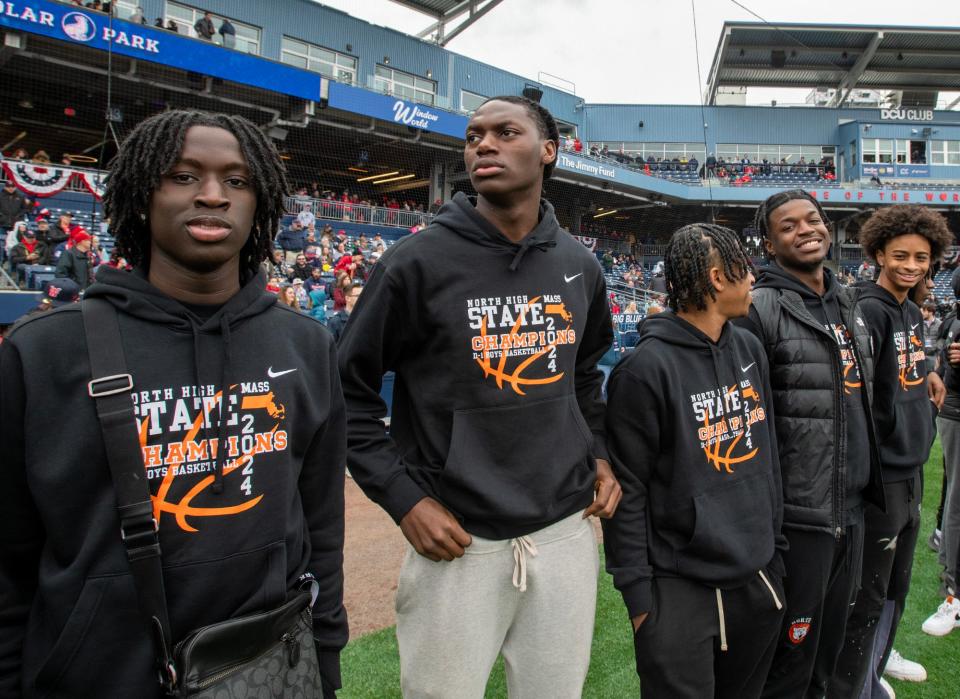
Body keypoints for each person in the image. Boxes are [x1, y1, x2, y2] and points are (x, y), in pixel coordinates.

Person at [0, 110, 347, 697]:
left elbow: (322, 527)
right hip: (95, 676)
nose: (213, 195)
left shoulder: (305, 344)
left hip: (267, 670)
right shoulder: (42, 351)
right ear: (141, 197)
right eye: (183, 176)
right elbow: (8, 559)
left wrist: (327, 659)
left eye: (237, 181)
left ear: (259, 204)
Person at [338, 95, 620, 697]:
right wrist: (404, 499)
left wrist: (598, 452)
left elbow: (585, 374)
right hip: (457, 542)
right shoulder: (414, 263)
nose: (483, 145)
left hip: (565, 531)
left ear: (548, 151)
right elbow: (347, 393)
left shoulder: (578, 265)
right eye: (473, 136)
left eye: (504, 132)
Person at [604, 223, 785, 699]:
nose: (753, 280)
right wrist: (641, 603)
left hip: (757, 575)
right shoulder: (643, 370)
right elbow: (630, 491)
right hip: (678, 593)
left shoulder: (748, 346)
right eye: (743, 270)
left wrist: (775, 550)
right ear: (717, 278)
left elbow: (767, 454)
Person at [739, 190, 884, 699]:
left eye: (813, 219)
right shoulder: (758, 308)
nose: (806, 230)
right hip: (798, 519)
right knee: (788, 662)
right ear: (769, 243)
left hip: (851, 510)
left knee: (828, 653)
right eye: (788, 226)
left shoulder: (847, 300)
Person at [829, 205, 951, 697]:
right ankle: (853, 684)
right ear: (877, 252)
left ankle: (875, 664)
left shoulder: (906, 307)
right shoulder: (867, 307)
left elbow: (903, 376)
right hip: (881, 477)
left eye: (921, 257)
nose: (911, 265)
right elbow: (859, 397)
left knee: (894, 588)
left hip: (912, 469)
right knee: (867, 593)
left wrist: (929, 373)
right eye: (900, 255)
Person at [0, 181, 30, 263]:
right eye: (9, 186)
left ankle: (10, 261)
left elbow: (25, 209)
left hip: (15, 225)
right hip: (2, 223)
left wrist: (19, 217)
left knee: (14, 243)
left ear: (15, 187)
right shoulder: (1, 195)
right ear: (5, 187)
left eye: (12, 186)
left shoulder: (20, 196)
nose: (11, 188)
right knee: (1, 243)